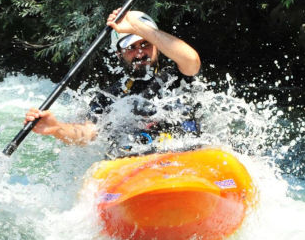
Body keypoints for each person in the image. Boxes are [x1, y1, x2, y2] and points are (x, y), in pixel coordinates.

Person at [24, 8, 201, 154]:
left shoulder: (176, 76)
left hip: (187, 152)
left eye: (145, 44)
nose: (140, 53)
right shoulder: (109, 96)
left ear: (157, 47)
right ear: (119, 54)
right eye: (131, 47)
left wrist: (137, 27)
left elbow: (192, 59)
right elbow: (88, 133)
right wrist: (56, 128)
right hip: (137, 162)